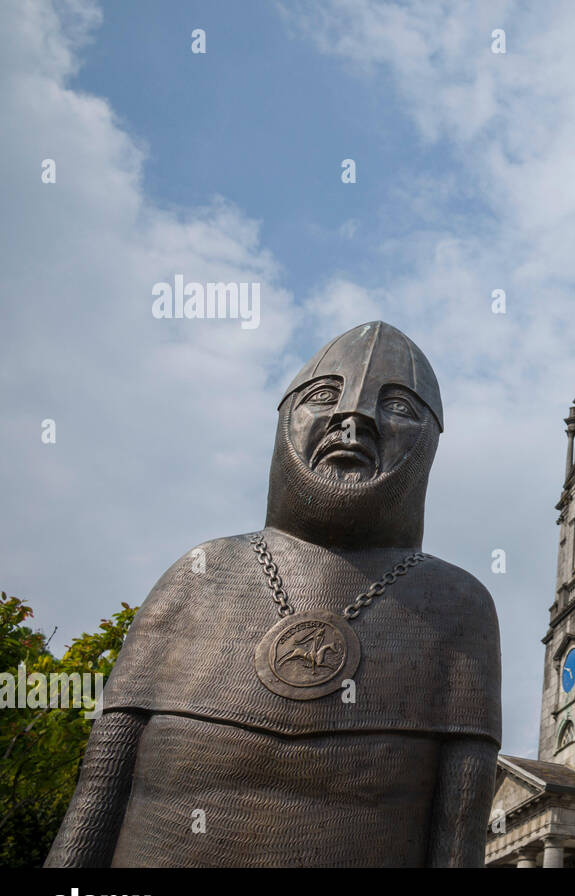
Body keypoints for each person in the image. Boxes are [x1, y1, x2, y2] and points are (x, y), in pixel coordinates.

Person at [47, 322, 500, 867]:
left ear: (429, 442)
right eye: (322, 396)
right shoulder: (199, 576)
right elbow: (94, 803)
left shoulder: (457, 605)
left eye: (399, 406)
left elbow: (458, 839)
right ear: (286, 419)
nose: (352, 416)